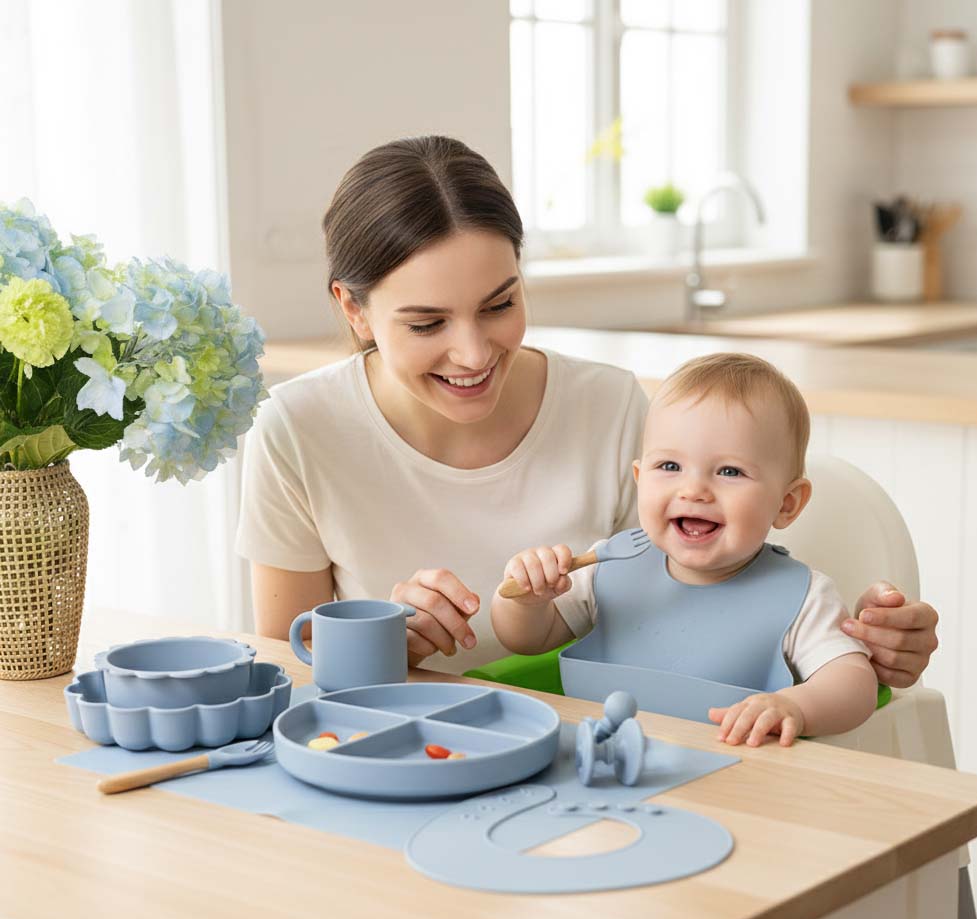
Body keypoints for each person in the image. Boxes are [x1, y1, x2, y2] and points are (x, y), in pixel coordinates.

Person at [235, 135, 939, 691]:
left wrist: (872, 652)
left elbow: (718, 611)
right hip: (399, 748)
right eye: (426, 325)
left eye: (500, 304)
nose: (474, 353)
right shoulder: (299, 431)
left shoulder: (612, 408)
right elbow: (285, 658)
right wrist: (380, 637)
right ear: (352, 309)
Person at [492, 352, 880, 749]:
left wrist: (795, 706)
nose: (693, 490)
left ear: (787, 503)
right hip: (599, 767)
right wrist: (528, 601)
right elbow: (526, 640)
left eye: (729, 471)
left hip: (734, 782)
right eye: (670, 466)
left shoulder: (803, 596)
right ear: (640, 480)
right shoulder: (606, 567)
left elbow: (854, 684)